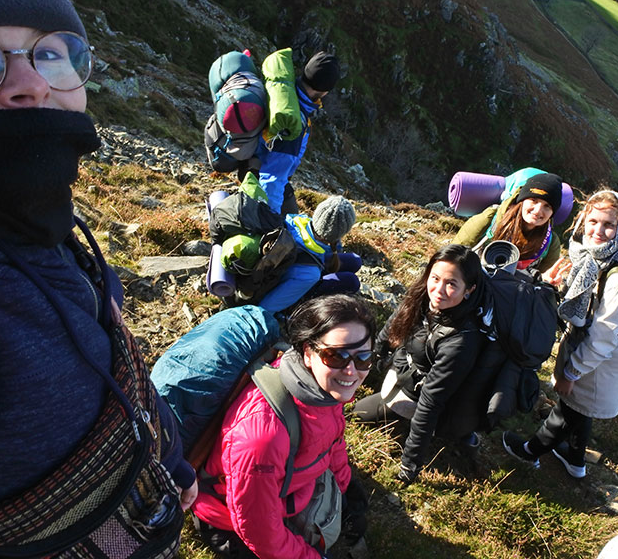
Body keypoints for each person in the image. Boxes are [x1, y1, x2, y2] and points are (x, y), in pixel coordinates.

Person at [0, 0, 195, 556]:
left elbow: (111, 348)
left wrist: (174, 466)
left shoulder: (54, 226)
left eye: (52, 50)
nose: (28, 83)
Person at [192, 294, 375, 559]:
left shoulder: (323, 387)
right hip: (230, 520)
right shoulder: (262, 436)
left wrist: (346, 488)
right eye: (336, 356)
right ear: (308, 352)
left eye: (363, 358)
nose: (351, 371)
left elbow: (331, 439)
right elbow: (259, 531)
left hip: (285, 490)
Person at [502, 190, 618, 479]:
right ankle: (575, 461)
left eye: (608, 225)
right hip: (600, 360)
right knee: (578, 410)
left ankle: (529, 452)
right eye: (592, 221)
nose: (597, 231)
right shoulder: (606, 258)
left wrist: (571, 373)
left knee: (567, 414)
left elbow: (603, 339)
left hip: (600, 365)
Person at [353, 244, 490, 485]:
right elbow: (391, 330)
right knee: (359, 410)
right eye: (435, 278)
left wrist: (410, 464)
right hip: (407, 372)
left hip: (432, 398)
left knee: (360, 414)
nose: (439, 290)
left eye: (451, 284)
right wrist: (369, 361)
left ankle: (457, 434)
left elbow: (431, 401)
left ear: (469, 290)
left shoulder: (461, 340)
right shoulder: (421, 298)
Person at [257, 51, 340, 214]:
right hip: (259, 176)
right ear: (325, 91)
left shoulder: (284, 93)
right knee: (290, 230)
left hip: (252, 162)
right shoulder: (294, 122)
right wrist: (269, 218)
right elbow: (272, 177)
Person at [258, 195, 362, 314]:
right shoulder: (309, 274)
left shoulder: (299, 220)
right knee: (351, 281)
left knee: (355, 260)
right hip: (297, 285)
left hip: (301, 265)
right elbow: (267, 307)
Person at [453, 173, 565, 278]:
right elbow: (453, 254)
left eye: (547, 206)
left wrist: (546, 282)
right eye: (533, 200)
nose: (538, 211)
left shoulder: (551, 243)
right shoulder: (491, 218)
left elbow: (541, 284)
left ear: (552, 213)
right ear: (522, 200)